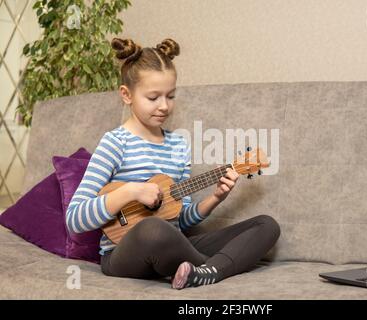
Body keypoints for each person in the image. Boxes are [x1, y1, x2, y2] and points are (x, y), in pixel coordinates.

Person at [66, 37, 281, 289]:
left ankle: (203, 273)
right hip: (123, 254)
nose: (164, 106)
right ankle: (214, 267)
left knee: (266, 225)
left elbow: (180, 218)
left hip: (174, 246)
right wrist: (131, 191)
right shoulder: (115, 143)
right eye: (153, 97)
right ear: (127, 95)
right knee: (152, 229)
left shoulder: (178, 146)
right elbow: (75, 219)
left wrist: (215, 199)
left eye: (171, 96)